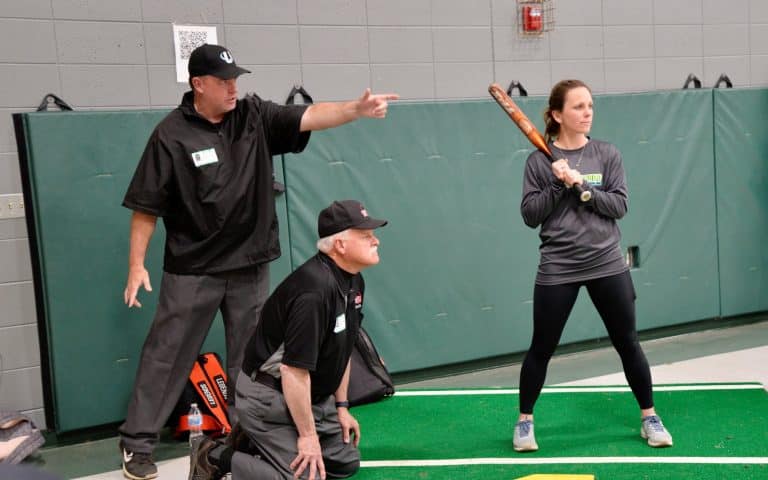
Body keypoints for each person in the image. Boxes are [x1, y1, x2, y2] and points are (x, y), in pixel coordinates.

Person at [119, 43, 398, 480]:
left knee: (251, 362)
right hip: (193, 269)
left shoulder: (254, 116)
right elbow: (145, 208)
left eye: (236, 80)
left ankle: (239, 442)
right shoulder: (170, 136)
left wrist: (355, 110)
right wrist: (137, 265)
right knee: (167, 355)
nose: (234, 88)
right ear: (198, 84)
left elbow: (309, 116)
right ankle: (137, 446)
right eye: (224, 81)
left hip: (250, 265)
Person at [513, 79, 673, 452]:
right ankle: (524, 422)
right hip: (559, 265)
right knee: (541, 347)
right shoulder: (539, 162)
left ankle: (649, 416)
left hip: (606, 263)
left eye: (590, 106)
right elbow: (529, 215)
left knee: (628, 343)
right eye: (578, 107)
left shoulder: (607, 154)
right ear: (557, 115)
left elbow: (618, 206)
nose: (587, 113)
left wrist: (580, 185)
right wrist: (556, 184)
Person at [187, 199, 387, 480]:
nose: (375, 241)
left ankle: (255, 442)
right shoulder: (313, 293)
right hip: (270, 396)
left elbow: (343, 350)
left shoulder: (353, 281)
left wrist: (341, 407)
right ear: (340, 246)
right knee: (307, 477)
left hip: (311, 397)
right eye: (366, 236)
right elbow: (292, 371)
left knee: (345, 464)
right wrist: (307, 437)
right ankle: (215, 456)